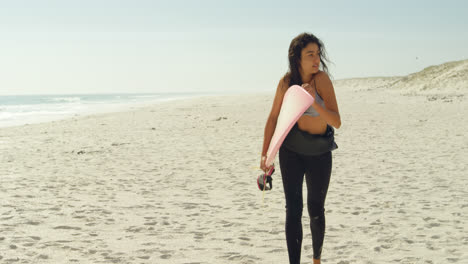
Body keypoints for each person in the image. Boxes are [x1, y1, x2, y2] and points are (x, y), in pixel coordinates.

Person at [260, 33, 341, 264]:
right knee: (293, 210)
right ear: (297, 58)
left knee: (316, 209)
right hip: (292, 152)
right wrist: (265, 153)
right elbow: (274, 117)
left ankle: (316, 259)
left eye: (318, 54)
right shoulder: (286, 83)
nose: (316, 59)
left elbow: (336, 121)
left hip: (320, 153)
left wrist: (313, 100)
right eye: (310, 54)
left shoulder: (322, 80)